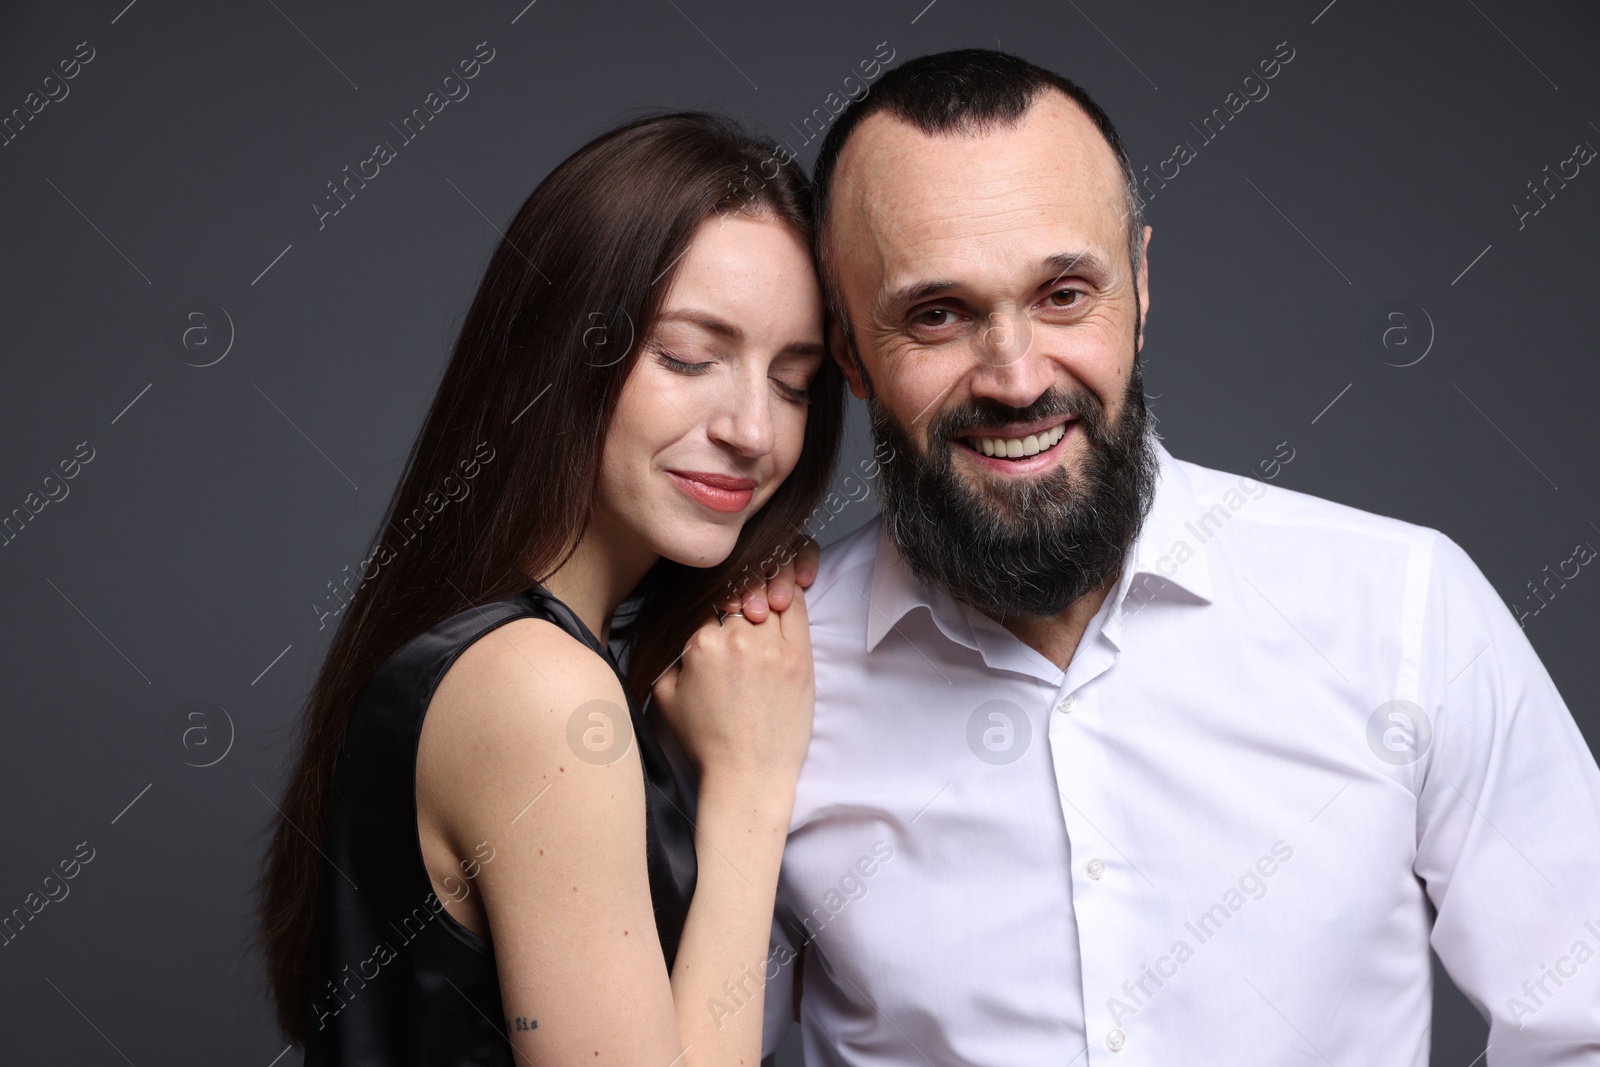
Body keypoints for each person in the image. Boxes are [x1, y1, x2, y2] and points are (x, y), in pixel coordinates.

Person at [761, 50, 1600, 1064]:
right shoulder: (763, 677)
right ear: (848, 347)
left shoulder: (1402, 605)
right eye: (936, 314)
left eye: (1066, 293)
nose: (1018, 376)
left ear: (1142, 283)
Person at [256, 111, 846, 1066]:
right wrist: (750, 785)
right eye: (690, 357)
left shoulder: (480, 655)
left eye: (792, 379)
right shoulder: (539, 690)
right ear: (567, 346)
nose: (754, 429)